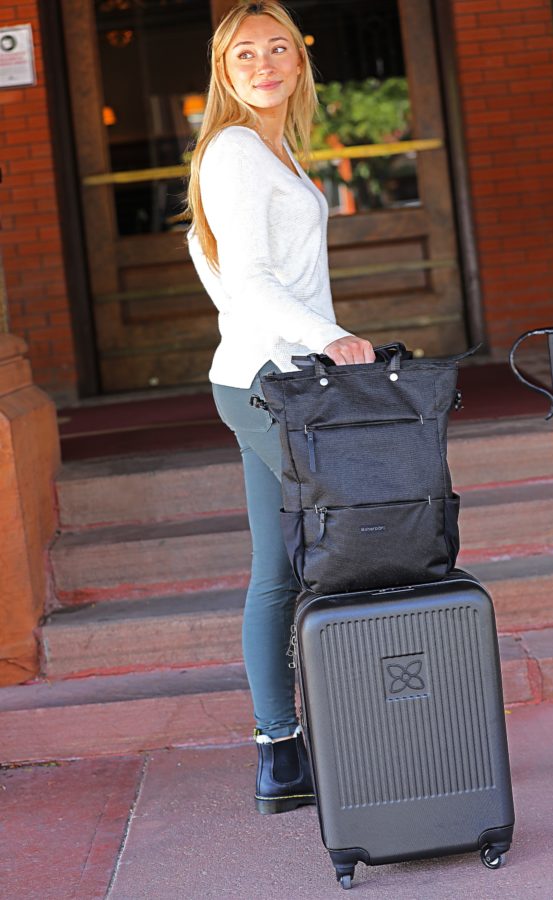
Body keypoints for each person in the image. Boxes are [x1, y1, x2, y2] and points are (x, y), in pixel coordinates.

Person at [186, 0, 375, 814]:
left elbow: (229, 273)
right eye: (243, 57)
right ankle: (343, 726)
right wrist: (330, 340)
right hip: (272, 383)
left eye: (277, 50)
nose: (263, 65)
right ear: (224, 74)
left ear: (299, 61)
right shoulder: (233, 151)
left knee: (279, 569)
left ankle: (281, 752)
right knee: (348, 541)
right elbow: (250, 283)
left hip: (268, 375)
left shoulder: (273, 149)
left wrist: (311, 348)